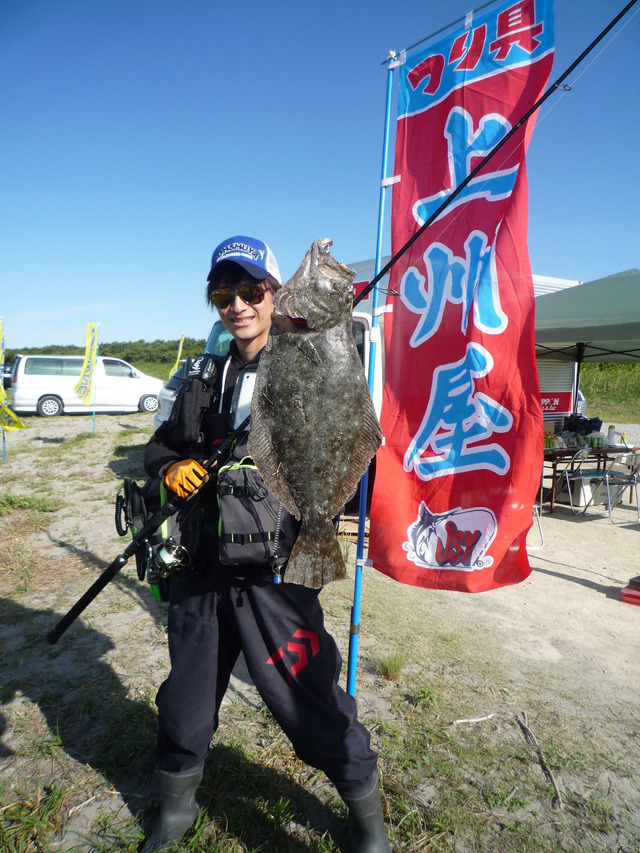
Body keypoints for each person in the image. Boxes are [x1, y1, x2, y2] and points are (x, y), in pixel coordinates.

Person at [142, 236, 391, 853]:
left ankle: (367, 820)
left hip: (276, 568)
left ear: (277, 295)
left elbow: (353, 433)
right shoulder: (204, 376)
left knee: (309, 698)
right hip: (200, 567)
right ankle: (176, 808)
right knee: (185, 702)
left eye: (252, 291)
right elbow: (161, 446)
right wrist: (171, 467)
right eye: (224, 295)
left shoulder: (310, 359)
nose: (238, 305)